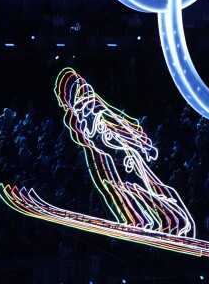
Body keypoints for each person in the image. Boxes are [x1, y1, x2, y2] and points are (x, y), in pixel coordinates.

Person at [55, 68, 195, 237]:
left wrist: (142, 144)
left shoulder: (96, 108)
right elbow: (87, 139)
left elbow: (123, 124)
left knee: (150, 187)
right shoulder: (75, 120)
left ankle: (177, 219)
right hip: (104, 159)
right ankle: (142, 221)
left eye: (83, 92)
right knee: (119, 189)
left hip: (122, 154)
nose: (84, 100)